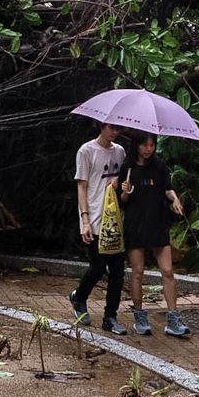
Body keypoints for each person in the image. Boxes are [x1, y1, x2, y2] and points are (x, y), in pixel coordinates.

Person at [119, 132, 189, 337]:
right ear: (137, 145)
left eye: (151, 145)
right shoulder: (128, 167)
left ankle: (173, 317)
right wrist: (125, 190)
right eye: (144, 145)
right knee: (138, 272)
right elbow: (123, 200)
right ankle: (139, 316)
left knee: (167, 271)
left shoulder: (159, 166)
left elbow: (167, 189)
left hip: (158, 223)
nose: (148, 149)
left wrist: (174, 199)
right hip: (135, 224)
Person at [70, 121, 128, 335]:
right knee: (97, 267)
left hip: (114, 220)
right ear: (101, 126)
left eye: (118, 129)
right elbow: (82, 186)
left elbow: (123, 181)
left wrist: (121, 186)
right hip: (94, 217)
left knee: (118, 272)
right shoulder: (86, 151)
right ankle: (79, 297)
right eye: (112, 128)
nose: (115, 132)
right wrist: (84, 219)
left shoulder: (120, 152)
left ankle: (110, 316)